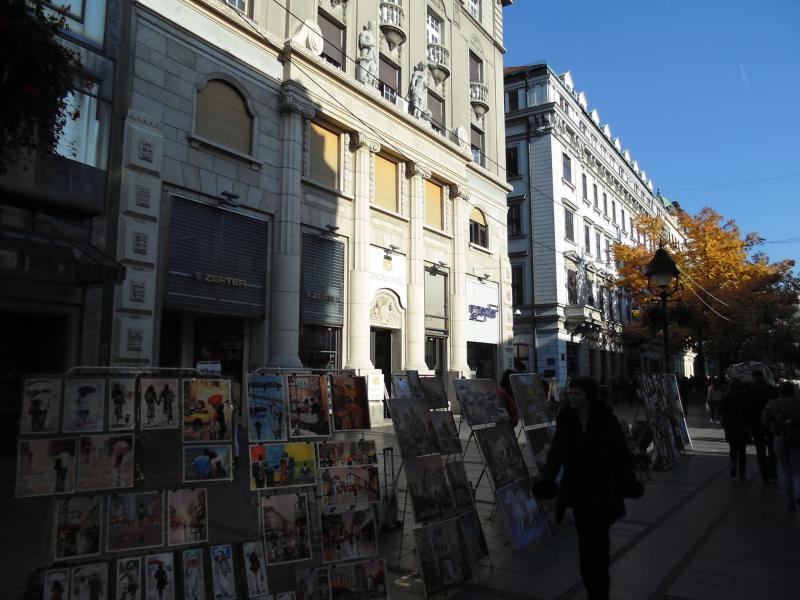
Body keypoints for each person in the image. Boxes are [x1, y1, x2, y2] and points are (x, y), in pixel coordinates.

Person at [532, 376, 643, 600]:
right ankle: (592, 586)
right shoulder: (566, 419)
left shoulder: (606, 419)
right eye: (570, 394)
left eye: (577, 394)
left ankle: (599, 593)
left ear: (588, 396)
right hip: (578, 489)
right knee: (585, 546)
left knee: (599, 544)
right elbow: (556, 453)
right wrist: (548, 480)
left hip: (603, 488)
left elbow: (619, 454)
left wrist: (628, 481)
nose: (572, 398)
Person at [762, 381, 800, 510]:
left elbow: (764, 420)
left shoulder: (772, 403)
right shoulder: (797, 403)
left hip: (780, 438)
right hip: (797, 439)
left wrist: (775, 428)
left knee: (786, 470)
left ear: (780, 391)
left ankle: (790, 500)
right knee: (797, 470)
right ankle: (798, 493)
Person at [747, 369, 778, 482]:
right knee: (772, 448)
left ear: (753, 377)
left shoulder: (750, 389)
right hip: (771, 422)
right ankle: (773, 471)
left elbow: (748, 408)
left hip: (756, 423)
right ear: (763, 376)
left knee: (760, 449)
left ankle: (764, 473)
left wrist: (748, 424)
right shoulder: (771, 389)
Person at [720, 378, 750, 480]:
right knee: (742, 450)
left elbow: (721, 409)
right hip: (743, 425)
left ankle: (733, 465)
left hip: (730, 425)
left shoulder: (726, 395)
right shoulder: (745, 395)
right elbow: (748, 410)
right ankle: (742, 472)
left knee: (732, 447)